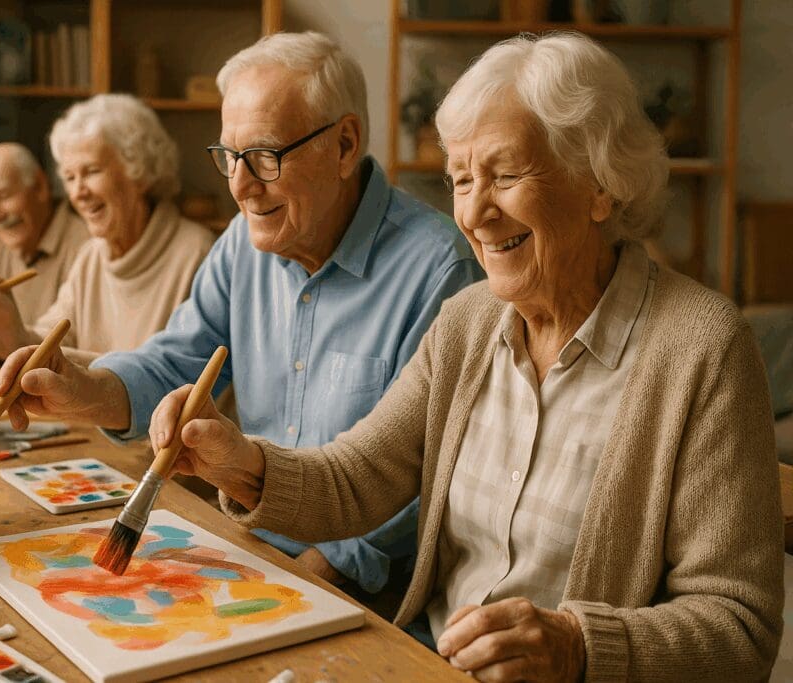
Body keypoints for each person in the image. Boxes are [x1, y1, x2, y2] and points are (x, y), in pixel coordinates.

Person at [145, 32, 783, 681]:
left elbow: (740, 625)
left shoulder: (702, 348)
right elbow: (359, 477)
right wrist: (241, 463)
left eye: (504, 175)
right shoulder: (469, 320)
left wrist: (575, 645)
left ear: (601, 185)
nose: (474, 212)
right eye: (460, 179)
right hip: (426, 662)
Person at [0, 32, 483, 595]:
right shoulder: (242, 244)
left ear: (345, 145)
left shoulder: (441, 270)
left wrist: (317, 576)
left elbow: (428, 481)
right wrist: (86, 389)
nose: (240, 186)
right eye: (229, 156)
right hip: (251, 552)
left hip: (365, 591)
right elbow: (177, 362)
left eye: (265, 157)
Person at [0, 95, 217, 365]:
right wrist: (9, 339)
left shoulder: (197, 254)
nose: (78, 193)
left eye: (92, 172)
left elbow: (172, 377)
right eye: (70, 178)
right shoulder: (91, 257)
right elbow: (50, 341)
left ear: (139, 172)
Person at [0, 142, 90, 375]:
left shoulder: (86, 246)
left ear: (39, 187)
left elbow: (74, 350)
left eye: (4, 196)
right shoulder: (7, 246)